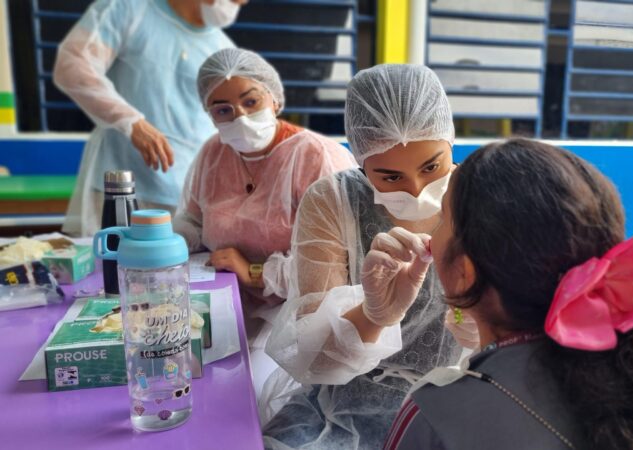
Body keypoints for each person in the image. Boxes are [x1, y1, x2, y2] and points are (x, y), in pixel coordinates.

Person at [384, 139, 633, 449]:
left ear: (466, 275)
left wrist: (377, 317)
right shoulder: (627, 386)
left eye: (441, 219)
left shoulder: (435, 414)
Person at [261, 64, 479, 449]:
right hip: (344, 401)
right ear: (360, 162)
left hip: (457, 400)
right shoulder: (333, 202)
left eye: (432, 167)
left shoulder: (481, 196)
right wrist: (374, 315)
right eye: (390, 177)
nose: (415, 190)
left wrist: (481, 330)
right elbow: (316, 362)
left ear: (450, 141)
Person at [173, 47, 356, 327]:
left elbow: (339, 261)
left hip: (298, 315)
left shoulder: (316, 158)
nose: (241, 118)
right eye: (223, 110)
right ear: (210, 116)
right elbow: (193, 220)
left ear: (274, 99)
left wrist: (255, 272)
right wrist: (170, 243)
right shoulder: (213, 153)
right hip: (224, 299)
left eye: (251, 102)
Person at [54, 0, 248, 236]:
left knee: (178, 271)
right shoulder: (129, 9)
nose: (239, 4)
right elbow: (73, 65)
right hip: (121, 192)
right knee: (107, 268)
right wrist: (131, 122)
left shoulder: (223, 53)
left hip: (187, 203)